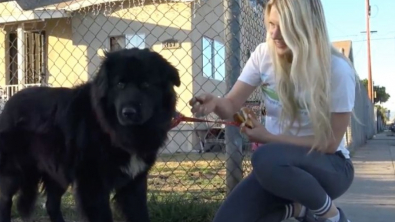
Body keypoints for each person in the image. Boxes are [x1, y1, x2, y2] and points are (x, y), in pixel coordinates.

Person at [188, 0, 357, 221]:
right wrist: (215, 103)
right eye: (271, 24)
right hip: (278, 169)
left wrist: (270, 137)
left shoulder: (337, 69)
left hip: (328, 168)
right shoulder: (263, 55)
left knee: (265, 157)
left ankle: (331, 216)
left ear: (306, 26)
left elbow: (329, 143)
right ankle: (300, 210)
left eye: (284, 26)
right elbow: (231, 105)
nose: (274, 33)